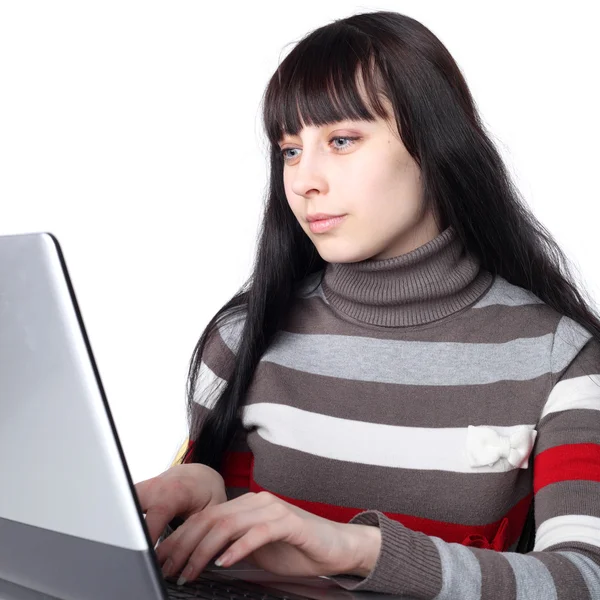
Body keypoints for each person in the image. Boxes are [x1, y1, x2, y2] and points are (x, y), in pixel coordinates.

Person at [134, 9, 600, 599]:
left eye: (342, 140)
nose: (305, 180)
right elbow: (238, 564)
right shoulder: (242, 337)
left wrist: (356, 548)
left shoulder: (561, 359)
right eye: (289, 150)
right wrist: (202, 504)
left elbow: (585, 578)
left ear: (434, 144)